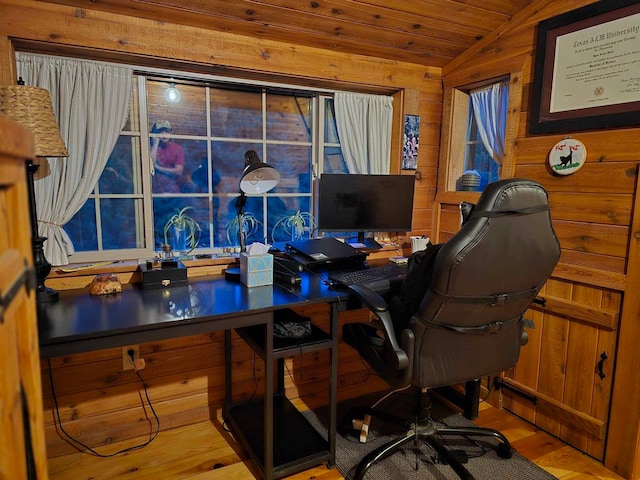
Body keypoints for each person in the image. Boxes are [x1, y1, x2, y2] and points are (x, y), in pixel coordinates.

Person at [150, 120, 185, 193]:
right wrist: (155, 144)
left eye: (166, 131)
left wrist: (159, 168)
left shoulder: (177, 148)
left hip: (172, 189)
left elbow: (179, 171)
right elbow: (150, 166)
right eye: (160, 132)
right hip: (155, 190)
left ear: (171, 133)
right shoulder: (151, 147)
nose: (164, 134)